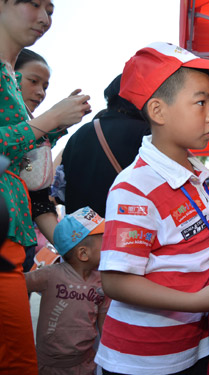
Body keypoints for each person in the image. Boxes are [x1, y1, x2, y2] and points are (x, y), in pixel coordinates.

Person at [94, 42, 209, 375]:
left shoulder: (193, 178)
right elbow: (117, 282)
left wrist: (207, 280)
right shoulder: (135, 187)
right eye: (200, 102)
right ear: (158, 111)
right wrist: (196, 300)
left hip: (190, 347)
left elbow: (181, 255)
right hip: (142, 361)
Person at [0, 1, 91, 373]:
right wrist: (53, 119)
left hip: (13, 242)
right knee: (20, 361)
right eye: (33, 4)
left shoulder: (7, 76)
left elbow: (36, 194)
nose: (44, 18)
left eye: (51, 9)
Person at [25, 206, 110, 375]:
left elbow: (104, 324)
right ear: (83, 253)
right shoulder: (50, 275)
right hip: (47, 366)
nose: (108, 243)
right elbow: (15, 283)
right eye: (104, 239)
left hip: (85, 363)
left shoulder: (103, 282)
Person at [56, 74, 150, 217]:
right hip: (126, 229)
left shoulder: (78, 135)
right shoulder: (147, 134)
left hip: (80, 232)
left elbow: (61, 193)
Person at [14, 48, 60, 271]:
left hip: (21, 247)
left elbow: (38, 200)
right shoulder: (21, 134)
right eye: (34, 81)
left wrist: (69, 247)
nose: (40, 92)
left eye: (45, 86)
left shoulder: (37, 139)